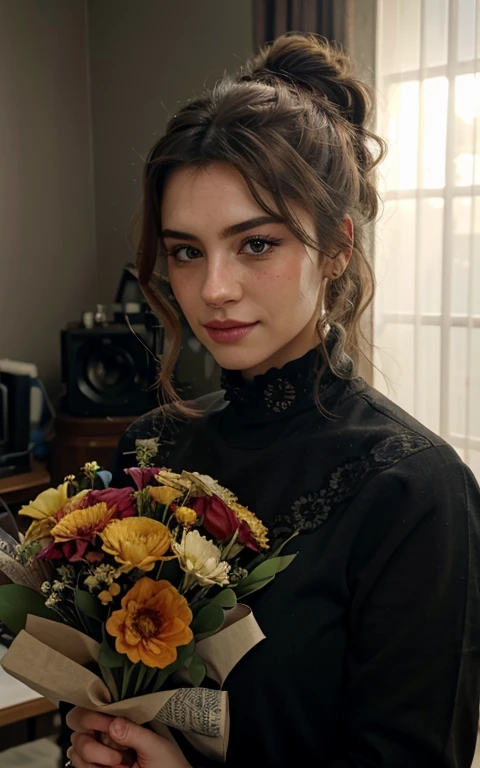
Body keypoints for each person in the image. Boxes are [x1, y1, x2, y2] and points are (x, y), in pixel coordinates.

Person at [65, 32, 480, 768]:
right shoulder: (148, 454)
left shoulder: (414, 491)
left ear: (337, 248)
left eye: (256, 243)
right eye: (186, 251)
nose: (214, 288)